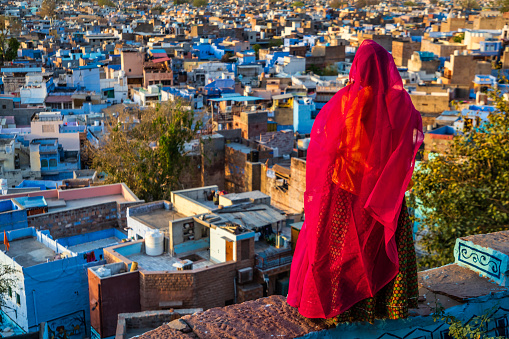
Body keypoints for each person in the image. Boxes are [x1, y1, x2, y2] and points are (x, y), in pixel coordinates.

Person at [287, 40, 424, 323]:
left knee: (341, 252)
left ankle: (344, 307)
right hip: (384, 195)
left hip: (347, 189)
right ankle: (385, 306)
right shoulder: (402, 106)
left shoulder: (348, 101)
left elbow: (328, 146)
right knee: (378, 250)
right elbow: (408, 145)